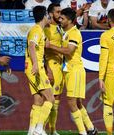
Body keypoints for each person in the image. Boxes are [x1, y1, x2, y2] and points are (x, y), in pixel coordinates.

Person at [45, 7, 97, 135]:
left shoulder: (74, 33)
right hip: (69, 70)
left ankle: (82, 132)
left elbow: (69, 51)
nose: (60, 20)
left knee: (71, 102)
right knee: (78, 103)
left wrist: (50, 46)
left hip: (75, 70)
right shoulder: (66, 32)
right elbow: (73, 15)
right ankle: (91, 129)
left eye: (62, 18)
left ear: (69, 20)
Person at [25, 6, 55, 135]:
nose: (50, 18)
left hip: (32, 68)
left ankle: (31, 131)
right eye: (48, 15)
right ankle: (39, 128)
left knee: (38, 101)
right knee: (50, 99)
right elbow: (32, 45)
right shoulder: (36, 30)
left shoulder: (39, 30)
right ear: (44, 16)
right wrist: (36, 64)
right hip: (36, 69)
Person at [44, 3, 63, 135]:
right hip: (52, 65)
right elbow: (44, 47)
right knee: (49, 99)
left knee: (56, 99)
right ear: (51, 14)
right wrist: (48, 69)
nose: (60, 14)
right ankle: (41, 128)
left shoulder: (59, 27)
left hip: (60, 66)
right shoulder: (47, 28)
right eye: (57, 12)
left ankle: (52, 129)